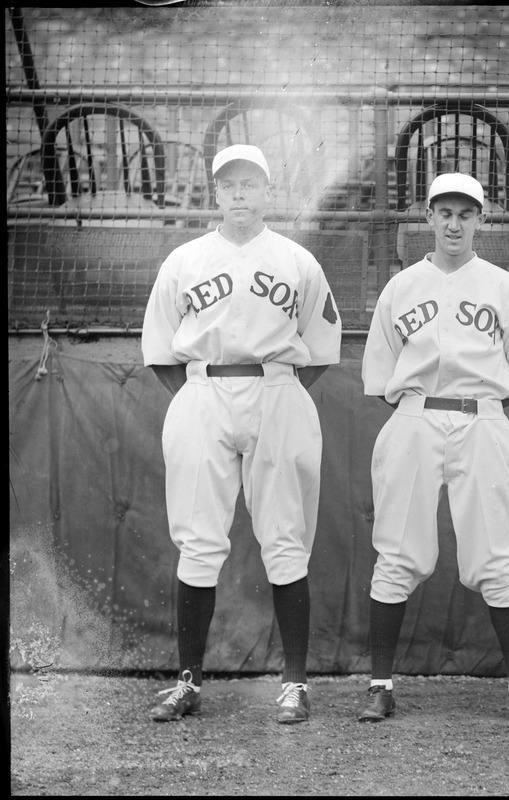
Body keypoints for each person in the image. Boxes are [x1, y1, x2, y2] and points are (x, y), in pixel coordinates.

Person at [141, 144, 342, 724]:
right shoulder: (183, 261)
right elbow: (160, 351)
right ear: (214, 192)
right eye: (228, 184)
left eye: (249, 183)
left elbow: (321, 348)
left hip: (276, 389)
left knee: (285, 538)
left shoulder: (297, 261)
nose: (238, 194)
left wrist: (276, 389)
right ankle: (188, 683)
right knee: (199, 541)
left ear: (268, 192)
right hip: (202, 391)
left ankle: (296, 684)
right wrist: (202, 400)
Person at [358, 173, 509, 724]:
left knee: (495, 557)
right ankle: (380, 686)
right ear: (429, 217)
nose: (454, 223)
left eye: (466, 213)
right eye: (444, 212)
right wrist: (426, 414)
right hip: (415, 416)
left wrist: (478, 413)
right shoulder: (400, 288)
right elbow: (380, 376)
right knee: (396, 552)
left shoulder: (504, 287)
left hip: (483, 417)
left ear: (481, 221)